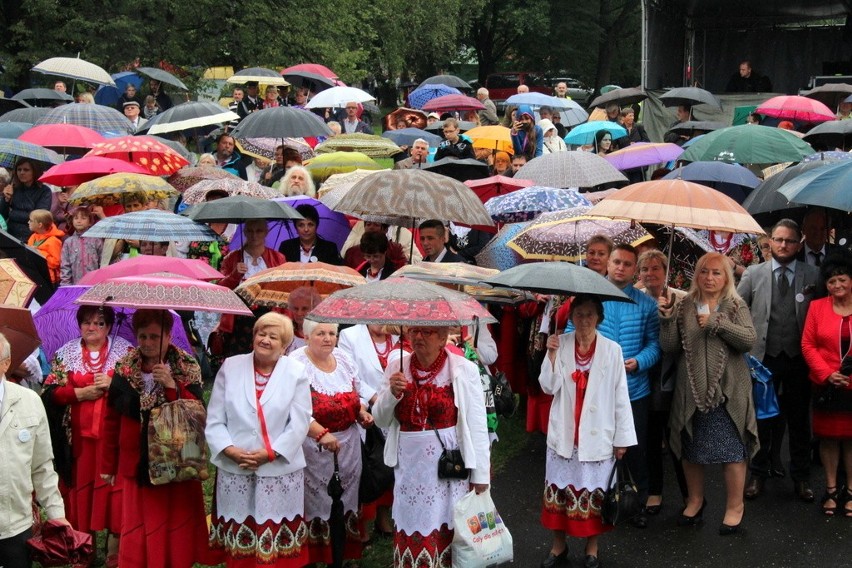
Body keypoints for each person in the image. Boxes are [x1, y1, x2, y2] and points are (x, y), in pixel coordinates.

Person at [100, 309, 217, 568]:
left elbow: (197, 414)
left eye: (155, 336)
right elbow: (111, 419)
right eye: (142, 336)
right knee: (139, 522)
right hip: (136, 462)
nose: (148, 343)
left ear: (169, 335)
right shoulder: (124, 367)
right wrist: (108, 465)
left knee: (174, 522)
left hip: (176, 461)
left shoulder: (186, 365)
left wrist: (172, 386)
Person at [373, 324, 490, 567]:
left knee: (449, 524)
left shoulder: (462, 369)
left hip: (448, 466)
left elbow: (477, 423)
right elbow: (379, 418)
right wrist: (391, 394)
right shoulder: (397, 367)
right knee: (412, 523)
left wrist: (481, 475)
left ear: (443, 338)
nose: (418, 336)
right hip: (409, 466)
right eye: (414, 331)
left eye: (427, 332)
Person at [659, 252, 757, 535]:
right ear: (696, 275)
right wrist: (666, 317)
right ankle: (695, 500)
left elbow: (749, 340)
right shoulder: (684, 305)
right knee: (692, 450)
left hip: (728, 393)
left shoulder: (735, 305)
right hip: (691, 392)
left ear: (726, 277)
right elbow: (670, 347)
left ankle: (735, 506)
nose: (709, 278)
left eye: (716, 273)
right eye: (704, 272)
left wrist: (718, 323)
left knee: (732, 452)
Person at [206, 312, 313, 566]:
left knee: (277, 543)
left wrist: (271, 453)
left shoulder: (296, 371)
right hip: (236, 467)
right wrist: (230, 450)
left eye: (273, 336)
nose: (265, 340)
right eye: (261, 333)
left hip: (279, 469)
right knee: (241, 539)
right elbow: (214, 418)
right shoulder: (230, 367)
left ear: (285, 345)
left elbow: (299, 422)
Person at [539, 295, 636, 568]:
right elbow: (547, 386)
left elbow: (620, 396)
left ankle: (592, 549)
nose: (584, 320)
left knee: (594, 497)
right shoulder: (562, 343)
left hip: (597, 435)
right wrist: (551, 354)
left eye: (590, 314)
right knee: (559, 494)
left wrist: (622, 439)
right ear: (571, 318)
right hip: (565, 434)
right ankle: (558, 547)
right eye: (579, 314)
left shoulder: (612, 350)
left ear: (599, 318)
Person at [567, 244, 660, 530]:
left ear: (636, 270)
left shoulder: (646, 305)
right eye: (616, 262)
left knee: (635, 449)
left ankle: (637, 503)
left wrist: (640, 361)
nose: (621, 268)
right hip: (597, 391)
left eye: (627, 264)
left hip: (634, 390)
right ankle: (599, 501)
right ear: (607, 264)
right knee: (599, 447)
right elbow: (572, 332)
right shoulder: (591, 301)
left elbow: (654, 344)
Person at [42, 306, 134, 566]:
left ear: (108, 326)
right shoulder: (66, 354)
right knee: (82, 496)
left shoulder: (125, 352)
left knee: (113, 495)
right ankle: (84, 550)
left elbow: (135, 390)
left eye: (100, 322)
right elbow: (51, 394)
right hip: (79, 444)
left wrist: (112, 384)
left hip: (113, 442)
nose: (92, 327)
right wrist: (79, 394)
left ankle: (116, 553)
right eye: (87, 322)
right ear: (79, 325)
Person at [737, 219, 820, 502]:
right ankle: (757, 475)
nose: (783, 245)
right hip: (763, 359)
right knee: (762, 420)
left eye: (790, 241)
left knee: (799, 421)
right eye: (779, 239)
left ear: (799, 244)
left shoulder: (813, 275)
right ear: (770, 241)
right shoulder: (753, 273)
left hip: (799, 358)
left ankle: (802, 478)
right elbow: (737, 308)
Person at [289, 320, 375, 566]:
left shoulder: (344, 359)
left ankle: (343, 555)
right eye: (320, 333)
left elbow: (356, 393)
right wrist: (320, 434)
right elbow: (295, 409)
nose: (327, 338)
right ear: (307, 336)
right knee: (318, 502)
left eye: (331, 333)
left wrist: (361, 412)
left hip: (349, 446)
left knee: (347, 499)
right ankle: (317, 556)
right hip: (313, 449)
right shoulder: (296, 364)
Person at [0, 331, 71, 568]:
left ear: (6, 363)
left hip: (16, 525)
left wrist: (56, 515)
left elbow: (42, 466)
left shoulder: (30, 401)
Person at [636, 250, 689, 516]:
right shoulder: (637, 300)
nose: (650, 274)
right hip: (646, 376)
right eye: (645, 269)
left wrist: (668, 316)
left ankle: (690, 495)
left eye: (655, 268)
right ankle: (654, 491)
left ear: (666, 271)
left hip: (675, 376)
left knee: (678, 437)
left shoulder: (683, 299)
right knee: (651, 436)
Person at [801, 250, 852, 516]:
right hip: (826, 385)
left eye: (842, 279)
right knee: (829, 439)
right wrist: (827, 373)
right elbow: (808, 344)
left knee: (851, 440)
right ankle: (831, 489)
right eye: (832, 281)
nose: (837, 285)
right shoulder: (817, 307)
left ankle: (851, 491)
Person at [219, 219, 285, 289]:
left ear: (266, 232)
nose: (254, 235)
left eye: (259, 231)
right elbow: (220, 287)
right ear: (245, 232)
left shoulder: (278, 258)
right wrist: (234, 275)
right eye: (250, 231)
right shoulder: (231, 257)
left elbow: (284, 286)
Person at [0, 158, 53, 241]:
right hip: (10, 234)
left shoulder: (44, 191)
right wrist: (5, 199)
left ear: (35, 171)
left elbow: (39, 218)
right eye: (19, 169)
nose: (22, 172)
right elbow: (2, 216)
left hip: (32, 237)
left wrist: (13, 213)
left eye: (26, 170)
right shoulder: (13, 188)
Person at [279, 203, 343, 264]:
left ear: (316, 226)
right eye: (301, 225)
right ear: (295, 228)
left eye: (310, 224)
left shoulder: (330, 248)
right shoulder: (286, 247)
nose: (306, 229)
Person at [60, 206, 102, 285]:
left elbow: (102, 262)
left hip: (94, 284)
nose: (79, 221)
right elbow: (65, 265)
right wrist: (65, 285)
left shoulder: (96, 240)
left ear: (90, 222)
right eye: (76, 218)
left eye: (83, 218)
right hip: (76, 284)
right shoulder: (68, 242)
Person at [27, 208, 65, 284]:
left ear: (40, 225)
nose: (28, 222)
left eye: (31, 221)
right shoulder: (33, 237)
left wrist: (39, 253)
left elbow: (55, 263)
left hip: (49, 280)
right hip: (35, 275)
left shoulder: (54, 241)